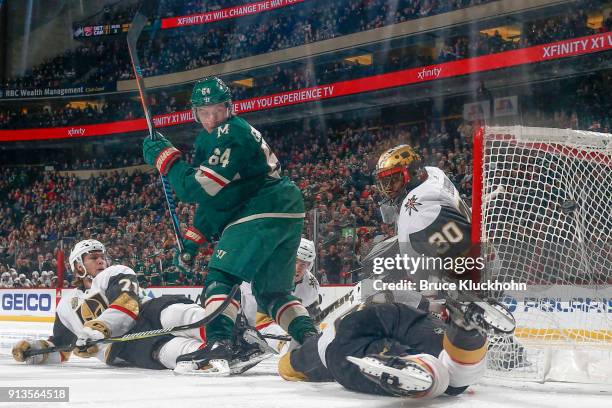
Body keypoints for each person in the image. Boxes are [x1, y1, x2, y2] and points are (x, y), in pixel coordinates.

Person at [142, 76, 317, 375]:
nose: (211, 118)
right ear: (195, 113)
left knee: (221, 276)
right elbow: (217, 199)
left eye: (217, 110)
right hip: (284, 210)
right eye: (205, 112)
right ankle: (311, 340)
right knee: (272, 292)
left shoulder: (229, 132)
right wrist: (193, 241)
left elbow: (199, 188)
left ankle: (221, 344)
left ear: (229, 108)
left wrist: (167, 160)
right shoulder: (220, 135)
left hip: (261, 207)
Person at [11, 239, 211, 370]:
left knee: (175, 312)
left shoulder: (114, 272)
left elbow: (127, 303)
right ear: (79, 266)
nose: (101, 261)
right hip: (121, 346)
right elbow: (61, 347)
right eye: (93, 258)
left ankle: (223, 333)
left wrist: (98, 330)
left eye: (102, 257)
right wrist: (35, 351)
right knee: (166, 351)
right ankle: (210, 357)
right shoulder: (65, 307)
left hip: (145, 313)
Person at [278, 294, 515, 399]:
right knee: (457, 381)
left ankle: (414, 366)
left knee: (439, 382)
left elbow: (286, 367)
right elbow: (412, 300)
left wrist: (287, 361)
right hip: (411, 316)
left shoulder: (312, 349)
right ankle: (465, 330)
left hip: (354, 331)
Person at [241, 238, 321, 353]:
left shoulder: (311, 286)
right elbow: (258, 317)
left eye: (303, 264)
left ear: (309, 265)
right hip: (249, 320)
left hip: (271, 323)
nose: (298, 267)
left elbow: (306, 314)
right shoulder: (264, 273)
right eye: (295, 261)